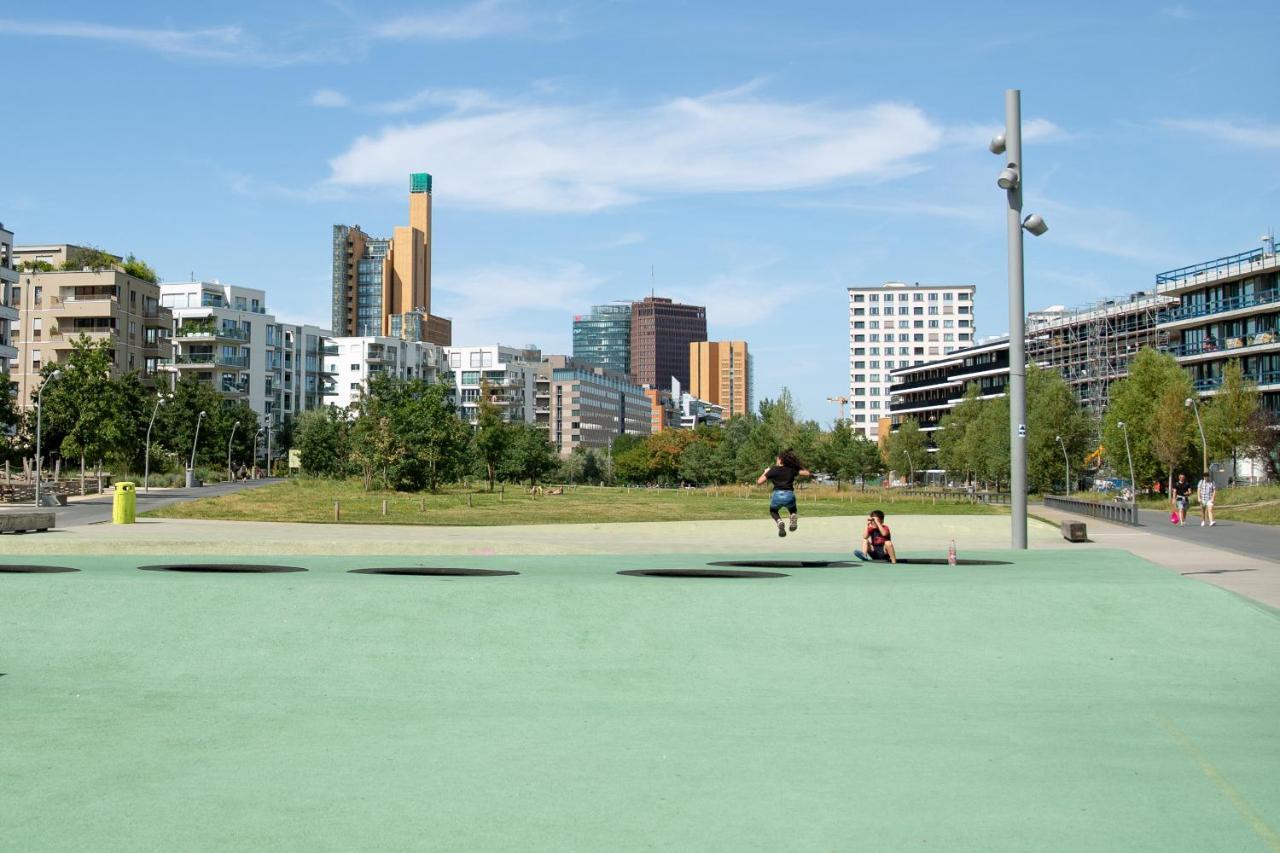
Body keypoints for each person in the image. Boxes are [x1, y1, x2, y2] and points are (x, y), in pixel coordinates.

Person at [756, 449, 810, 537]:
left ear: (781, 460)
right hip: (789, 495)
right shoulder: (791, 469)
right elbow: (807, 473)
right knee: (792, 509)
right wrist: (797, 466)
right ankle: (792, 516)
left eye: (777, 459)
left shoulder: (773, 470)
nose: (776, 461)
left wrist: (765, 472)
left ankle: (779, 522)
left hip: (777, 495)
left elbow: (759, 482)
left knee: (773, 511)